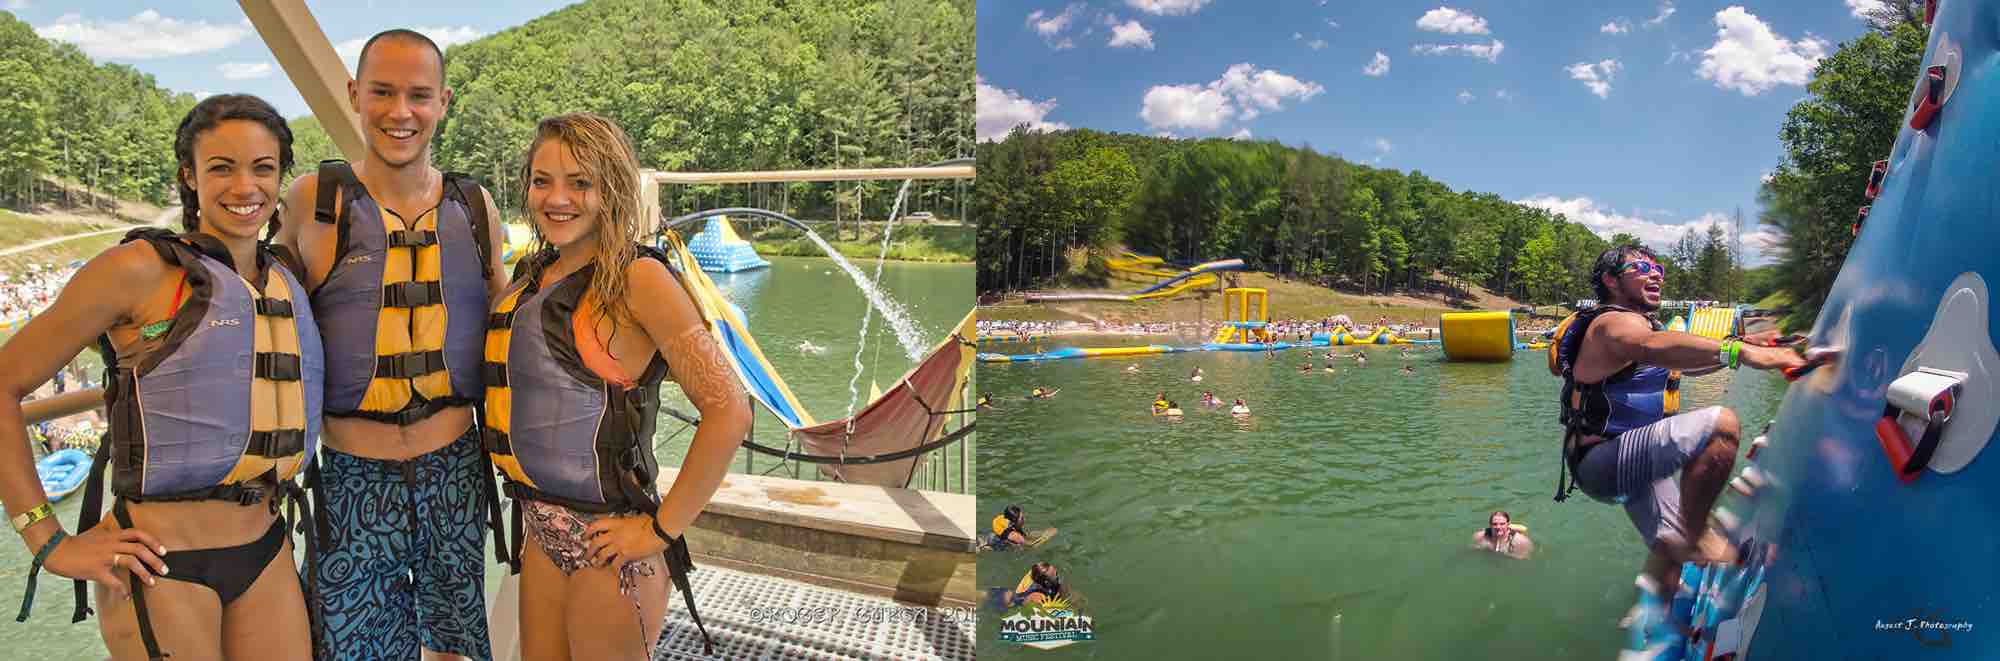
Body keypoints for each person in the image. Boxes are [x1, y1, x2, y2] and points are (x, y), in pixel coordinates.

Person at [0, 94, 318, 660]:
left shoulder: (286, 280)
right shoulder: (137, 270)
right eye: (222, 167)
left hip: (267, 549)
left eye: (262, 168)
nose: (245, 187)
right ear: (189, 176)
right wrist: (47, 540)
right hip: (162, 563)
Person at [275, 31, 507, 661]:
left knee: (456, 641)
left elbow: (514, 325)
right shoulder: (311, 202)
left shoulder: (475, 206)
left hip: (455, 467)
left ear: (443, 102)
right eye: (381, 92)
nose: (400, 112)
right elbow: (256, 317)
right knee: (352, 648)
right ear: (354, 94)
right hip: (350, 474)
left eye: (418, 96)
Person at [488, 113, 751, 660]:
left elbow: (730, 411)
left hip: (611, 549)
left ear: (611, 189)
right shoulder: (533, 277)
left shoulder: (639, 279)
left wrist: (659, 529)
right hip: (540, 531)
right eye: (542, 180)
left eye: (580, 182)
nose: (557, 197)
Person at [1552, 245, 1804, 637]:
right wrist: (1737, 350)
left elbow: (1690, 363)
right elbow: (1650, 347)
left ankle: (1658, 623)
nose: (1656, 275)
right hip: (1604, 458)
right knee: (1720, 425)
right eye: (1642, 268)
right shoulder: (1611, 325)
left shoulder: (1645, 326)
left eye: (1659, 268)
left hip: (1631, 460)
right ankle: (1698, 539)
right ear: (1611, 281)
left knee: (1669, 545)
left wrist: (1748, 346)